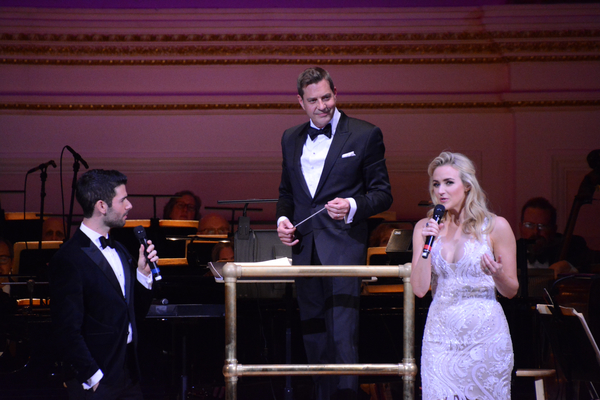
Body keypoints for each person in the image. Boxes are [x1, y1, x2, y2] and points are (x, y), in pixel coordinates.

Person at [276, 67, 393, 400]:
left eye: (326, 97)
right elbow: (286, 192)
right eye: (313, 100)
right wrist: (283, 220)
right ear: (300, 102)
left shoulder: (364, 134)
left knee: (343, 333)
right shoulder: (289, 138)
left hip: (343, 247)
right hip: (304, 247)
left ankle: (345, 396)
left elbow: (383, 194)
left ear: (336, 93)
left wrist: (353, 205)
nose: (321, 105)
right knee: (312, 332)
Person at [410, 151, 518, 400]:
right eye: (436, 184)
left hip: (485, 339)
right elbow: (418, 289)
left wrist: (498, 275)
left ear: (468, 186)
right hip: (441, 339)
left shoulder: (495, 226)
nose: (440, 191)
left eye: (449, 183)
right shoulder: (424, 228)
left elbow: (511, 290)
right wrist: (428, 244)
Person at [49, 169, 159, 400]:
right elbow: (66, 329)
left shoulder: (120, 250)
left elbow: (132, 313)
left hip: (128, 373)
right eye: (123, 200)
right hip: (97, 381)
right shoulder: (69, 258)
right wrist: (93, 377)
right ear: (101, 206)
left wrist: (142, 274)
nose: (129, 205)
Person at [518, 197, 589, 276]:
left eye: (543, 226)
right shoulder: (508, 251)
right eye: (529, 225)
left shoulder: (571, 246)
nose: (536, 232)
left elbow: (590, 261)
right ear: (520, 227)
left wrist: (569, 266)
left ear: (554, 229)